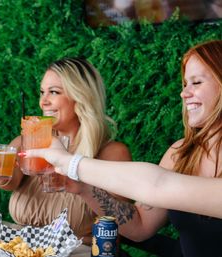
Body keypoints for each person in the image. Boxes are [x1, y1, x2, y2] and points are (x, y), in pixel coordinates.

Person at [24, 40, 222, 256]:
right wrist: (84, 188)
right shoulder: (181, 154)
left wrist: (70, 162)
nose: (184, 93)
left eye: (196, 83)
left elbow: (157, 184)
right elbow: (140, 226)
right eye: (184, 84)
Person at [0, 57, 132, 244]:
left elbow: (123, 224)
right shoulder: (27, 142)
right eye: (42, 92)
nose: (43, 102)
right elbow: (10, 181)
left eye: (54, 92)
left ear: (81, 96)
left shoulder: (112, 154)